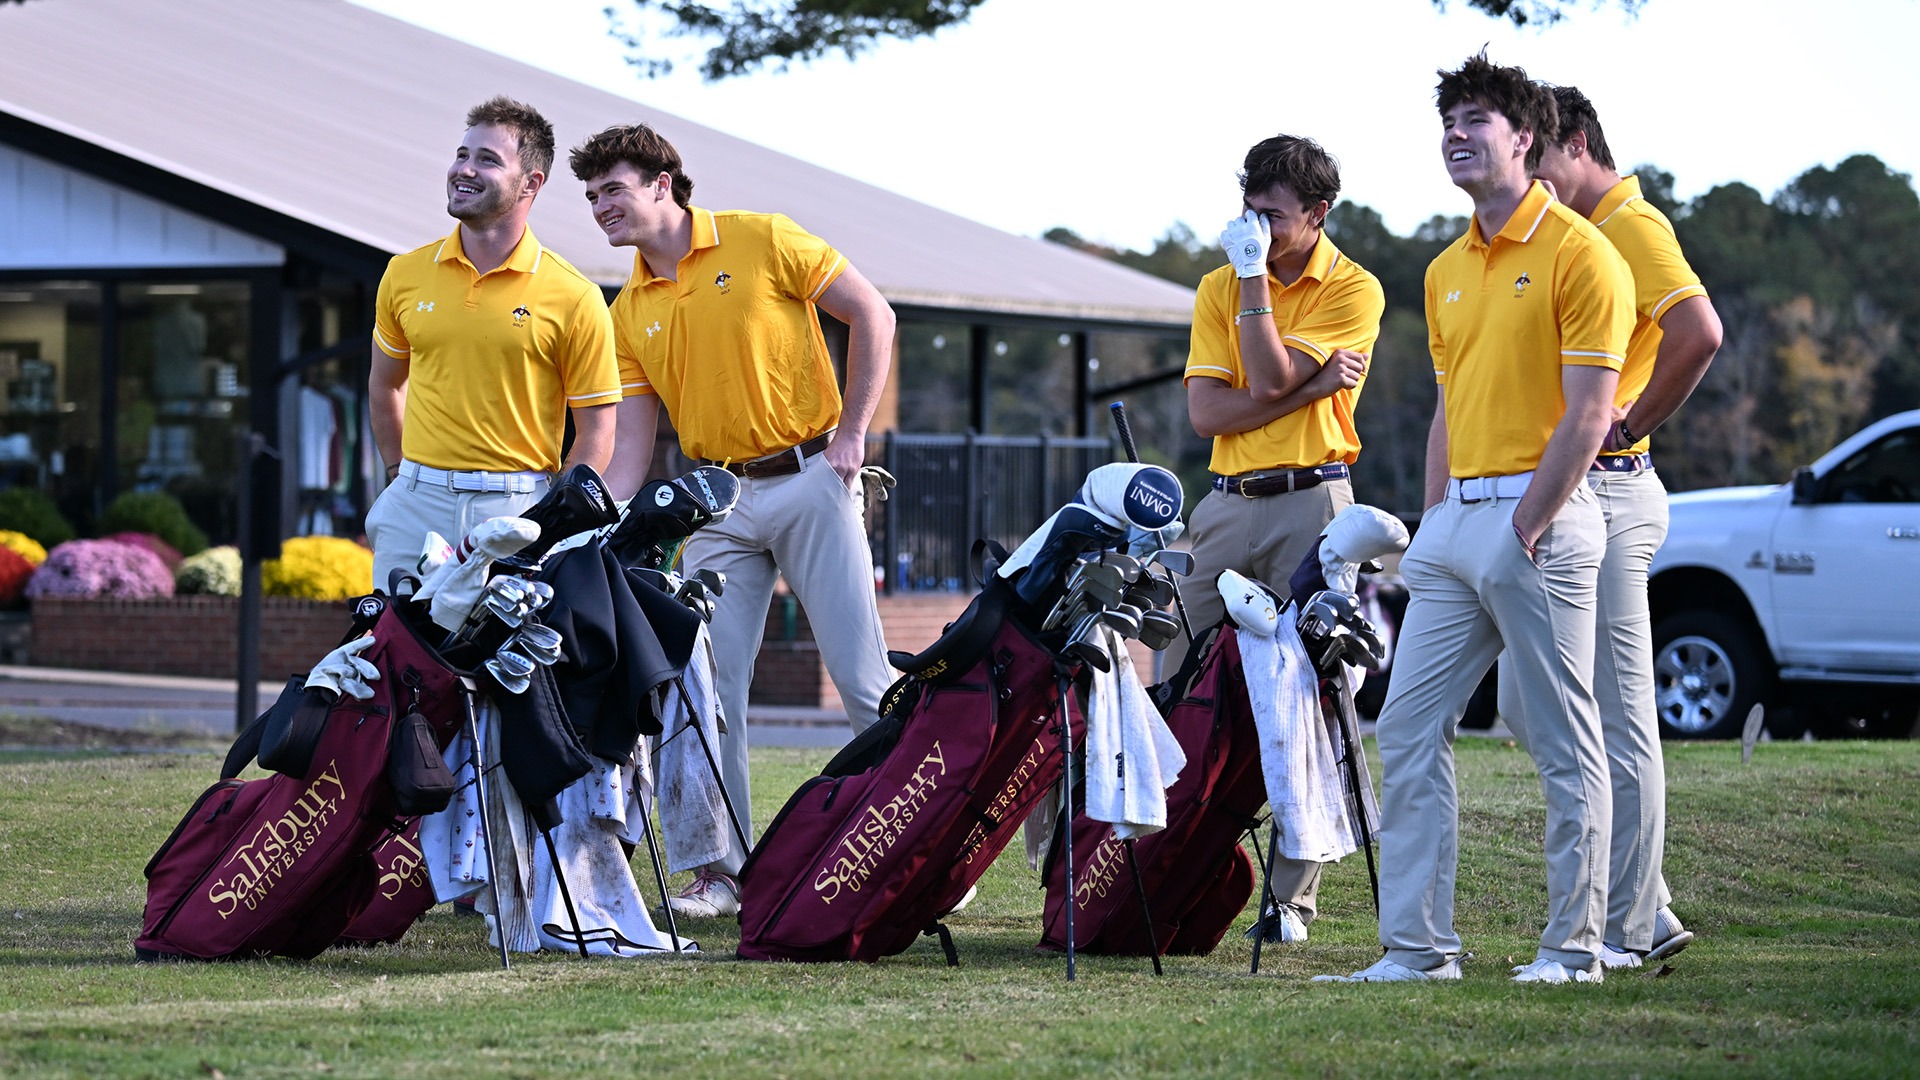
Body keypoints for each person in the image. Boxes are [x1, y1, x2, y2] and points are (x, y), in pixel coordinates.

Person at [1317, 52, 1634, 985]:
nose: (1455, 135)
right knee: (1407, 728)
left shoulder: (1584, 253)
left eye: (1476, 121)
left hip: (1545, 525)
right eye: (1447, 120)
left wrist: (1526, 527)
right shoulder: (1447, 265)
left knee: (1565, 740)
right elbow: (1450, 408)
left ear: (1526, 138)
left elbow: (1588, 414)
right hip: (1458, 529)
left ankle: (1574, 951)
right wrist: (1436, 520)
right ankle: (1417, 950)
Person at [569, 122, 897, 919]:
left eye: (612, 189)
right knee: (707, 692)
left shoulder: (763, 238)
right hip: (717, 504)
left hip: (814, 476)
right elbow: (634, 447)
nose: (600, 207)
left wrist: (852, 435)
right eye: (590, 196)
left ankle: (905, 837)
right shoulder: (626, 310)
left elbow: (873, 314)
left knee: (863, 681)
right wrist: (592, 521)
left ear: (661, 183)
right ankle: (723, 870)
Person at [1514, 83, 1722, 968]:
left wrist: (1627, 425)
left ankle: (1637, 923)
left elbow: (1700, 333)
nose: (1534, 182)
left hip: (1617, 487)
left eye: (1541, 162)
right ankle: (1648, 901)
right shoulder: (1575, 236)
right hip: (1581, 491)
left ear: (1582, 144)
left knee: (1619, 712)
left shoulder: (1629, 227)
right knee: (1536, 704)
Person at [1177, 134, 1383, 943]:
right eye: (1245, 213)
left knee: (1314, 693)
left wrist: (1257, 284)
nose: (1251, 233)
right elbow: (1206, 416)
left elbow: (1257, 382)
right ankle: (1175, 867)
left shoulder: (1354, 288)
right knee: (1182, 669)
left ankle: (1292, 901)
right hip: (1226, 502)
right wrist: (1311, 388)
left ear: (1318, 215)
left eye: (1271, 217)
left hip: (1314, 500)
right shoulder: (1214, 285)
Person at [367, 96, 619, 591]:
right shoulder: (403, 274)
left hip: (518, 508)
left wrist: (551, 519)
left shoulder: (574, 295)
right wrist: (400, 477)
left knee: (505, 667)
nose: (464, 169)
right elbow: (384, 387)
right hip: (415, 502)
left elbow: (597, 434)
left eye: (487, 159)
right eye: (462, 154)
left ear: (531, 183)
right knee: (392, 662)